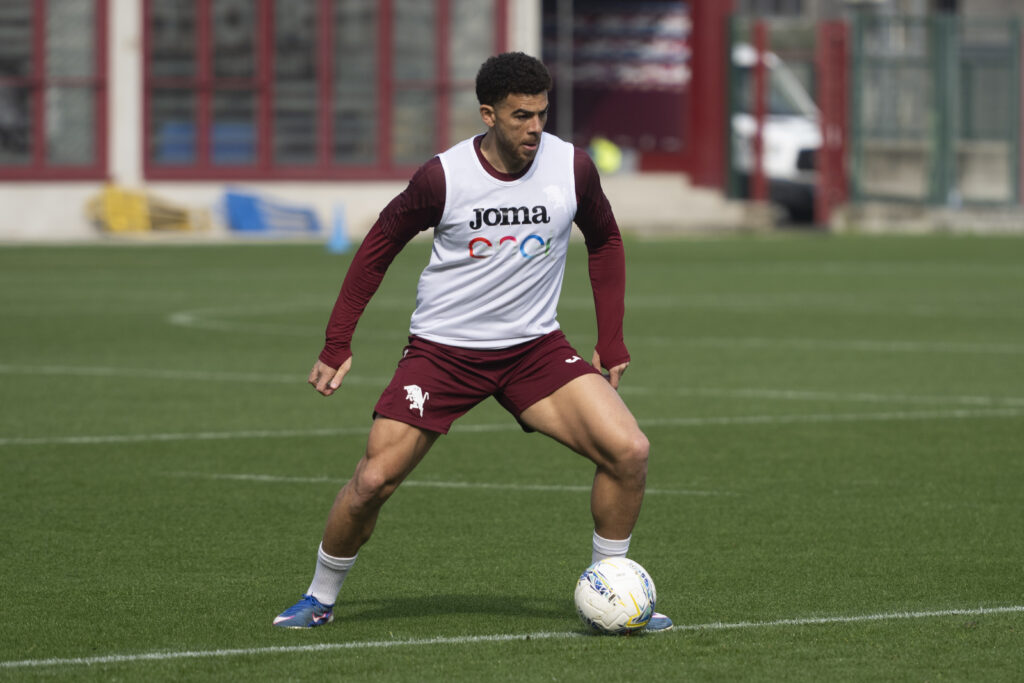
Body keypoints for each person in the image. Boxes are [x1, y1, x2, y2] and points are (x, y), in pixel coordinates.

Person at [273, 52, 671, 632]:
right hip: (443, 354)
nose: (535, 127)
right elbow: (378, 246)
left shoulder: (572, 167)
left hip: (534, 351)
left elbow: (605, 240)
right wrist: (338, 342)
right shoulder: (444, 176)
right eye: (519, 116)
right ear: (488, 114)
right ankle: (319, 597)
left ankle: (608, 591)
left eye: (541, 113)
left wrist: (610, 338)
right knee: (373, 481)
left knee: (629, 451)